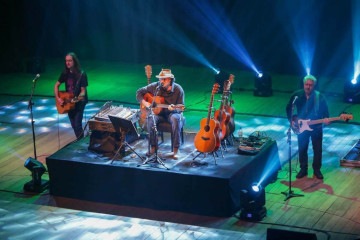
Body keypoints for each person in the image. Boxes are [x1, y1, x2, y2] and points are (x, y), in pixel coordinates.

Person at [286, 75, 329, 179]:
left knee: (317, 149)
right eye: (306, 84)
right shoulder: (296, 95)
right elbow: (288, 108)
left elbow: (326, 111)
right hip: (301, 126)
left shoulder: (319, 97)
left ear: (314, 86)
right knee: (302, 148)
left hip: (316, 127)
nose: (308, 87)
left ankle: (317, 170)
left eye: (311, 85)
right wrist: (291, 120)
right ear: (303, 84)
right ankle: (303, 169)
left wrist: (327, 119)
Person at [136, 69, 185, 159]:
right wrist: (145, 103)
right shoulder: (155, 86)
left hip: (172, 113)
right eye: (160, 79)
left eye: (164, 79)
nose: (161, 81)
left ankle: (176, 149)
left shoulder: (178, 89)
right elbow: (139, 92)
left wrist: (173, 109)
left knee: (175, 118)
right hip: (159, 114)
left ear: (170, 79)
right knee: (151, 118)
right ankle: (153, 147)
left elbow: (181, 108)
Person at [54, 52, 88, 139]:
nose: (67, 63)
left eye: (70, 61)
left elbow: (83, 91)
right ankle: (80, 140)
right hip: (69, 102)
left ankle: (81, 144)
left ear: (74, 61)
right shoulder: (65, 73)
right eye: (66, 61)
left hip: (79, 102)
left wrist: (76, 99)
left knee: (77, 125)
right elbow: (56, 85)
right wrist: (58, 98)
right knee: (73, 125)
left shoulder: (81, 74)